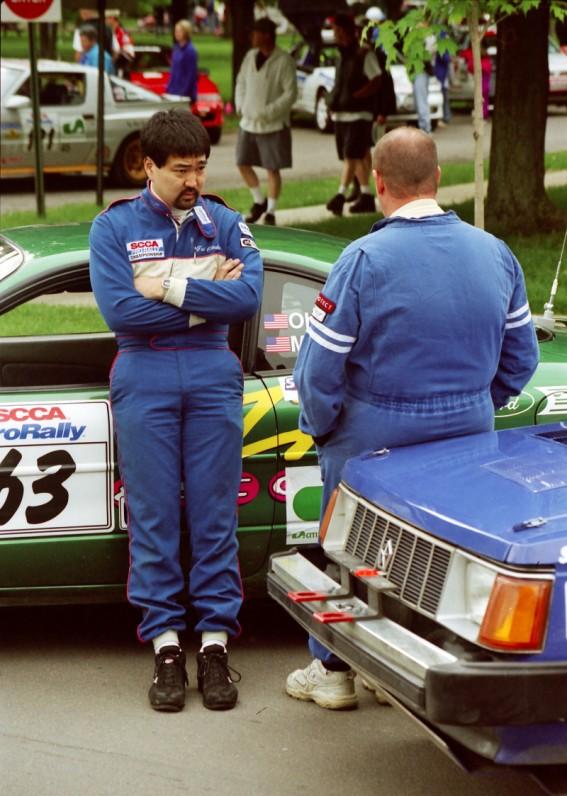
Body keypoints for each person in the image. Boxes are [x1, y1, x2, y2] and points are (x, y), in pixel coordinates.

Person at [286, 126, 540, 710]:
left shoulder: (363, 259)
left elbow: (317, 372)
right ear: (438, 180)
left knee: (349, 553)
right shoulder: (494, 253)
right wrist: (476, 403)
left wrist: (327, 429)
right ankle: (409, 664)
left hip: (371, 437)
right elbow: (520, 357)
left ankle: (335, 671)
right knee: (440, 559)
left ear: (377, 183)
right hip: (468, 437)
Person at [89, 110, 264, 713]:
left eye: (201, 168)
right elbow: (121, 314)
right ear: (148, 166)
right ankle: (165, 644)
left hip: (214, 372)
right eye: (181, 170)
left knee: (216, 511)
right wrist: (207, 296)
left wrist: (169, 288)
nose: (193, 181)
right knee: (155, 513)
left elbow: (245, 299)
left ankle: (214, 644)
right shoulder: (113, 228)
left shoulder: (227, 221)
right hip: (144, 371)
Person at [235, 17, 297, 226]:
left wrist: (269, 111)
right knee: (242, 162)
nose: (252, 36)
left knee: (272, 168)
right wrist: (240, 104)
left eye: (256, 33)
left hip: (272, 124)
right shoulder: (249, 56)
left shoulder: (283, 60)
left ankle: (271, 210)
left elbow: (290, 94)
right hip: (248, 122)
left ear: (267, 35)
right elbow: (241, 82)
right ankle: (258, 201)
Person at [325, 14, 382, 217]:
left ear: (350, 32)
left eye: (340, 31)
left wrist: (359, 95)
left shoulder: (363, 55)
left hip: (359, 113)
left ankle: (340, 195)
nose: (337, 36)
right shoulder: (342, 57)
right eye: (335, 32)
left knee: (352, 154)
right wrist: (334, 101)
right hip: (342, 113)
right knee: (360, 155)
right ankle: (366, 195)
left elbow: (376, 79)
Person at [166, 19, 199, 102]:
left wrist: (184, 93)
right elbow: (173, 70)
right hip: (173, 91)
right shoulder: (176, 48)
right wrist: (168, 88)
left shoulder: (190, 51)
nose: (176, 33)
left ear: (186, 33)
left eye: (179, 31)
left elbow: (191, 74)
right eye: (176, 31)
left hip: (184, 94)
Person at [105, 9, 135, 77]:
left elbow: (129, 53)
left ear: (112, 18)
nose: (104, 21)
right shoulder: (110, 32)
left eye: (106, 18)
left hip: (120, 69)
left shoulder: (122, 33)